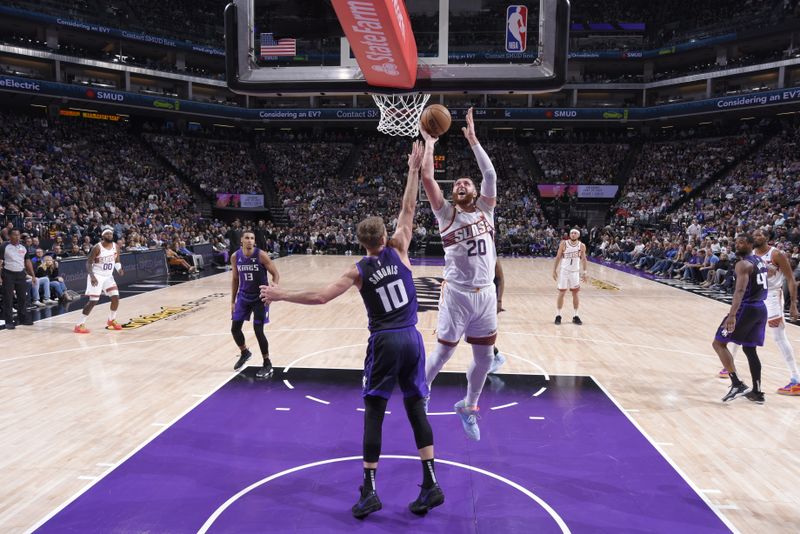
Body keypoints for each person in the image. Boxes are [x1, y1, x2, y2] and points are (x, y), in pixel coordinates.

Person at [261, 141, 443, 519]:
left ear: (361, 242)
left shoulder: (357, 270)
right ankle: (430, 483)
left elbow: (320, 298)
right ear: (384, 237)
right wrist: (413, 169)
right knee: (415, 408)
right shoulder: (401, 248)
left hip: (385, 341)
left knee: (374, 412)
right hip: (413, 339)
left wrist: (280, 295)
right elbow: (409, 208)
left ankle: (370, 490)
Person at [421, 107, 498, 441]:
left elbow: (491, 175)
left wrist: (473, 141)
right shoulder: (446, 214)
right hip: (457, 292)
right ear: (454, 194)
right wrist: (429, 143)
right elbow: (427, 179)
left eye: (468, 181)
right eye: (458, 184)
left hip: (486, 293)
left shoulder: (486, 210)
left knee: (485, 358)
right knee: (443, 352)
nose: (463, 183)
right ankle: (419, 394)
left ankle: (469, 406)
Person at [726, 229, 800, 395]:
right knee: (741, 327)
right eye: (755, 234)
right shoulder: (750, 253)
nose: (756, 236)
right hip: (756, 295)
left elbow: (790, 279)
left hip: (773, 296)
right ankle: (729, 365)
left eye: (760, 234)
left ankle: (796, 379)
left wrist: (793, 304)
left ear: (767, 237)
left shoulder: (777, 254)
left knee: (779, 337)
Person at [713, 234, 768, 404]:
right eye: (736, 242)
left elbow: (739, 291)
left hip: (747, 308)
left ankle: (737, 383)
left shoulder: (743, 264)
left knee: (719, 343)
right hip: (760, 308)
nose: (738, 244)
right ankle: (757, 392)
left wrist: (732, 315)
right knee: (749, 349)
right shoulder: (760, 261)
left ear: (751, 245)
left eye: (742, 242)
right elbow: (770, 274)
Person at [231, 230, 280, 380]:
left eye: (252, 238)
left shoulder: (261, 255)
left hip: (260, 298)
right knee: (234, 329)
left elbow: (276, 275)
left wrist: (272, 291)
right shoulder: (235, 257)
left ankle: (267, 363)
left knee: (258, 330)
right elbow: (235, 279)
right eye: (247, 238)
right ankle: (245, 352)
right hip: (243, 297)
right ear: (242, 240)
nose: (250, 240)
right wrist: (232, 301)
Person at [74, 226, 124, 333]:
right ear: (102, 236)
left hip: (108, 276)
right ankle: (79, 324)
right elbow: (88, 262)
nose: (109, 235)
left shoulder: (116, 246)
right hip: (97, 276)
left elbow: (117, 260)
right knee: (93, 301)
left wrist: (119, 269)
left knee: (115, 297)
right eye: (107, 234)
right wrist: (92, 276)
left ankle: (111, 320)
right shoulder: (97, 247)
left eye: (110, 234)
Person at [0, 228, 36, 328]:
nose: (17, 237)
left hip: (21, 274)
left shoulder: (24, 247)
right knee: (8, 298)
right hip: (8, 274)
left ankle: (23, 319)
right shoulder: (4, 246)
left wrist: (33, 275)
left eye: (18, 235)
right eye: (15, 235)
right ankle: (9, 321)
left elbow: (28, 261)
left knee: (22, 298)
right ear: (9, 236)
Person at [552, 228, 587, 325]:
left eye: (575, 233)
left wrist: (585, 272)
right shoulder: (564, 243)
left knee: (575, 294)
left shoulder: (582, 246)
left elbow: (584, 259)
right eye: (571, 233)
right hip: (564, 271)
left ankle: (576, 315)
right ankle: (558, 315)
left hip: (575, 272)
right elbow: (558, 257)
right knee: (561, 293)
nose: (573, 234)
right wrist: (554, 270)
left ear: (578, 235)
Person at [489, 257, 506, 374]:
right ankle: (495, 356)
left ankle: (496, 357)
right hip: (477, 297)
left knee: (486, 332)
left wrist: (499, 301)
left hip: (490, 298)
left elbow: (500, 279)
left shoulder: (493, 257)